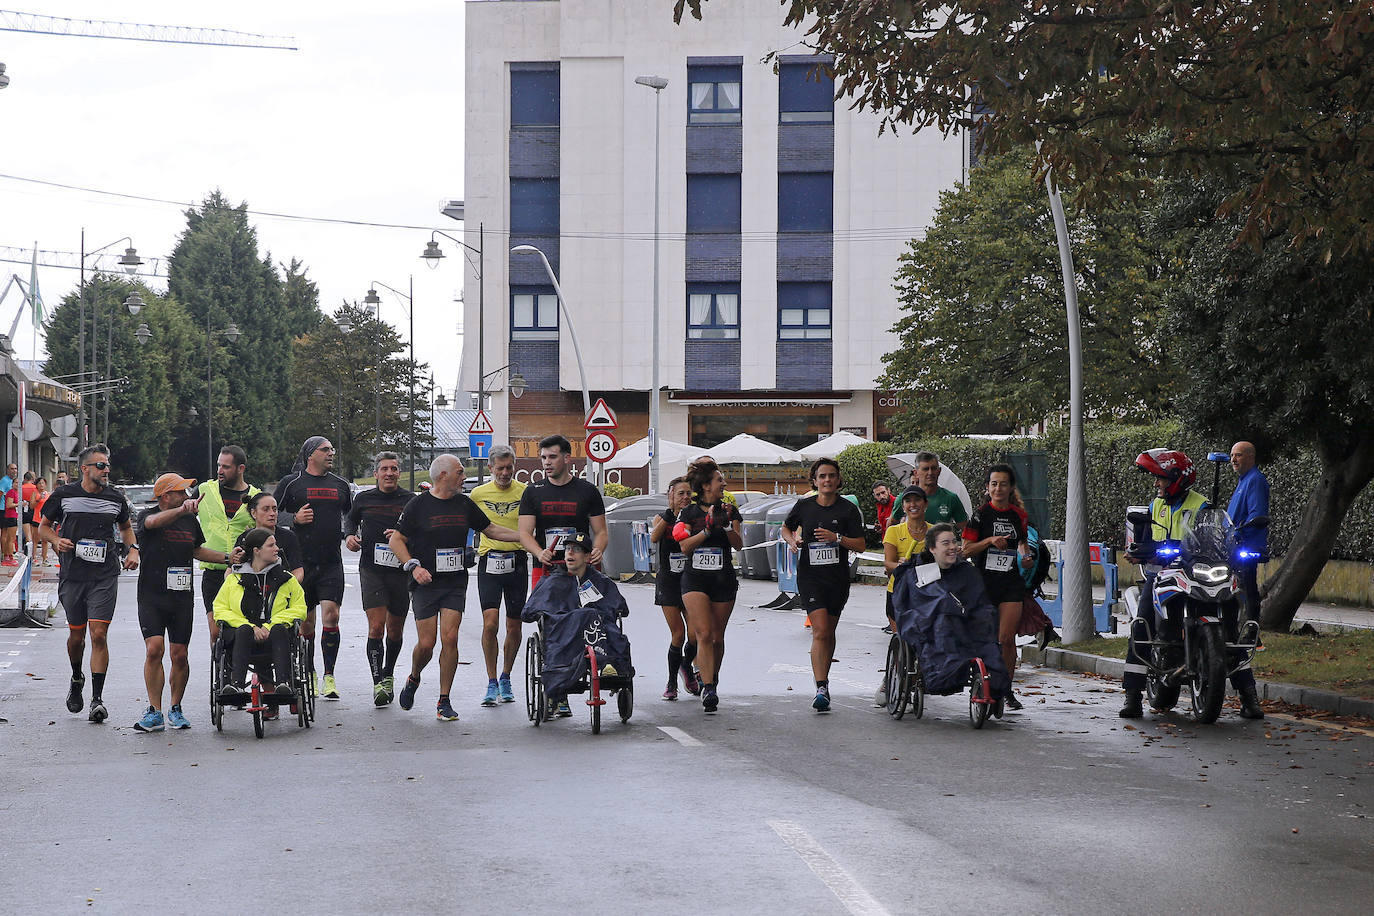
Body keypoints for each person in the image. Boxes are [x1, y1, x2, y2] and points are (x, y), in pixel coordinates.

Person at [1119, 448, 1264, 720]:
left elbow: (1219, 536)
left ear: (1176, 477)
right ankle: (1133, 696)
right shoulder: (1155, 506)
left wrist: (1242, 548)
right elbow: (1140, 538)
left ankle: (1249, 697)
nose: (1156, 483)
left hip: (1199, 572)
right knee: (1142, 624)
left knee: (1230, 631)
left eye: (1160, 478)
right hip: (1162, 573)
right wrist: (1137, 549)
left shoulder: (1203, 506)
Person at [390, 454, 519, 721]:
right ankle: (414, 677)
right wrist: (414, 566)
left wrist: (522, 536)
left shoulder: (464, 504)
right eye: (460, 472)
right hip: (425, 581)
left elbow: (491, 530)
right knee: (426, 644)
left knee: (450, 638)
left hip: (455, 582)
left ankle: (444, 700)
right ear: (443, 476)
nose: (464, 476)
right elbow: (397, 541)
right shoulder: (418, 505)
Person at [38, 445, 139, 723]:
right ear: (84, 469)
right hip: (73, 575)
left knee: (99, 635)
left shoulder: (115, 498)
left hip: (104, 575)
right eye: (100, 466)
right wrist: (57, 541)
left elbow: (126, 528)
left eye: (107, 465)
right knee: (77, 637)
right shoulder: (64, 495)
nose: (106, 470)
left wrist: (133, 549)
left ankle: (97, 699)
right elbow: (42, 527)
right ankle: (76, 676)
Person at [132, 473, 229, 732]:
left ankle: (175, 707)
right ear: (166, 496)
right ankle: (154, 710)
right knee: (154, 649)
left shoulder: (188, 520)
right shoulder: (147, 516)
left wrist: (228, 558)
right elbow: (152, 523)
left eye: (188, 492)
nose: (187, 496)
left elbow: (197, 550)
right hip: (152, 596)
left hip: (181, 597)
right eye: (181, 492)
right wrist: (182, 511)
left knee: (180, 654)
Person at [782, 458, 867, 712]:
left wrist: (837, 538)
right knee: (819, 631)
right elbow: (786, 529)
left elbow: (861, 545)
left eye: (831, 476)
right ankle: (820, 686)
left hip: (837, 579)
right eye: (822, 476)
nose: (827, 480)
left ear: (838, 479)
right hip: (810, 578)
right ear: (815, 480)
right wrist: (792, 540)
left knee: (828, 632)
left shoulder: (847, 510)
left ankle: (825, 682)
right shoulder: (805, 506)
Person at [276, 436, 353, 699]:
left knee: (331, 616)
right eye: (326, 449)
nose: (332, 453)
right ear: (311, 455)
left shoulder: (340, 485)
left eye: (332, 449)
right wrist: (294, 518)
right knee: (307, 624)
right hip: (301, 563)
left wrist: (351, 534)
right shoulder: (292, 483)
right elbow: (269, 512)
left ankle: (329, 676)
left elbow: (350, 516)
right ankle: (308, 671)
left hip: (331, 562)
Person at [962, 464, 1035, 711]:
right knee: (986, 638)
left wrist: (1026, 555)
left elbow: (1022, 542)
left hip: (1011, 583)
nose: (998, 488)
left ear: (1011, 487)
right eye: (994, 483)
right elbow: (966, 550)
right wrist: (989, 541)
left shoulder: (1019, 515)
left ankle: (1005, 689)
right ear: (987, 488)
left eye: (1003, 483)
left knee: (1006, 639)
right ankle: (983, 682)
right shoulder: (980, 515)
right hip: (984, 583)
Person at [673, 458, 743, 713]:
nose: (723, 483)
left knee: (717, 637)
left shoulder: (730, 509)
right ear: (705, 486)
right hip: (695, 579)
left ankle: (712, 677)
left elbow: (738, 545)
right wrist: (705, 531)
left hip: (723, 578)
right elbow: (683, 546)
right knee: (703, 633)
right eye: (719, 480)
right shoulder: (689, 512)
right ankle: (709, 687)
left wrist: (724, 526)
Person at [345, 452, 414, 707]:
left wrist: (401, 535)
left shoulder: (410, 500)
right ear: (375, 474)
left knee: (395, 629)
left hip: (399, 571)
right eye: (384, 469)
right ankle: (377, 683)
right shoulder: (364, 499)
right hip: (372, 570)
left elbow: (420, 529)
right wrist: (349, 535)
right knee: (376, 627)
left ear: (399, 472)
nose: (389, 473)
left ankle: (388, 673)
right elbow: (350, 519)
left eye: (394, 469)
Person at [213, 528, 307, 699]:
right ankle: (236, 686)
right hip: (241, 637)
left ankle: (283, 684)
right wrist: (250, 626)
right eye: (271, 545)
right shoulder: (235, 579)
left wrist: (269, 626)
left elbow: (299, 608)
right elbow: (219, 609)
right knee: (244, 630)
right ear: (257, 551)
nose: (276, 548)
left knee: (279, 629)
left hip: (276, 637)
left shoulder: (286, 578)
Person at [469, 445, 528, 707]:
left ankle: (506, 676)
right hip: (489, 562)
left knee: (514, 625)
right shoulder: (478, 494)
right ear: (491, 468)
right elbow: (466, 525)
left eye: (509, 468)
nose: (505, 473)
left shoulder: (526, 492)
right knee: (490, 623)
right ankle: (491, 681)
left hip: (517, 562)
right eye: (500, 468)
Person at [518, 434, 607, 593]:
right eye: (543, 457)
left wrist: (597, 550)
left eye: (552, 457)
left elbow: (601, 532)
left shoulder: (588, 491)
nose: (547, 462)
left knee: (584, 614)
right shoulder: (532, 492)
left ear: (566, 458)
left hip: (581, 567)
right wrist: (539, 553)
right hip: (545, 567)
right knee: (544, 613)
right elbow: (524, 533)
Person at [194, 446, 259, 648]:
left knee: (245, 629)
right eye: (218, 465)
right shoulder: (205, 490)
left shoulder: (255, 496)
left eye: (226, 467)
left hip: (245, 573)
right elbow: (183, 514)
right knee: (216, 631)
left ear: (241, 468)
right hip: (214, 572)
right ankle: (222, 675)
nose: (220, 470)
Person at [651, 476, 699, 700]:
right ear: (670, 494)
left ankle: (686, 666)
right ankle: (671, 683)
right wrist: (670, 514)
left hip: (690, 581)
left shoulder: (694, 517)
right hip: (668, 582)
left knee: (695, 635)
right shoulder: (663, 517)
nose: (685, 498)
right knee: (678, 634)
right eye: (680, 493)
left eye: (688, 493)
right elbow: (654, 537)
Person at [1227, 440, 1270, 627]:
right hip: (1233, 544)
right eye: (1232, 455)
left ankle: (1252, 632)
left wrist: (1239, 534)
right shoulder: (1243, 481)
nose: (1233, 459)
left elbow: (1257, 514)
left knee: (1247, 587)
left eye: (1238, 455)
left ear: (1251, 457)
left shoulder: (1255, 480)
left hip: (1245, 545)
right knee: (1235, 588)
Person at [234, 492, 304, 583]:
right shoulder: (244, 537)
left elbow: (298, 570)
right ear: (254, 513)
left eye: (274, 509)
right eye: (266, 509)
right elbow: (230, 570)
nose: (272, 513)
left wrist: (288, 587)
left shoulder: (288, 536)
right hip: (250, 590)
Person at [914, 451, 968, 525]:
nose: (930, 473)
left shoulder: (951, 498)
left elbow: (965, 529)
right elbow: (892, 524)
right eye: (925, 469)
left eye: (933, 468)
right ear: (916, 473)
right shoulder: (905, 499)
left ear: (939, 471)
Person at [32, 477, 51, 566]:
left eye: (43, 483)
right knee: (35, 540)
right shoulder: (34, 493)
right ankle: (34, 558)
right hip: (36, 519)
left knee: (45, 540)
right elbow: (32, 506)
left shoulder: (48, 494)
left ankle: (44, 559)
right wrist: (38, 499)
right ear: (36, 485)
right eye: (39, 483)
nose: (41, 485)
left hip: (45, 520)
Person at [1, 473, 19, 565]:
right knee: (10, 538)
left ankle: (8, 555)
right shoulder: (11, 492)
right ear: (12, 483)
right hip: (10, 516)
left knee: (11, 538)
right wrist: (19, 504)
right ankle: (8, 557)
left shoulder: (16, 492)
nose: (17, 484)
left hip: (13, 516)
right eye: (15, 482)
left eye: (18, 483)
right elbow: (9, 504)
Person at [21, 471, 37, 557]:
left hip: (24, 509)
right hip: (34, 510)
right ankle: (33, 555)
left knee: (28, 533)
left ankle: (29, 554)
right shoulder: (35, 488)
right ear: (32, 479)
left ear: (24, 479)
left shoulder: (21, 488)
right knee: (34, 534)